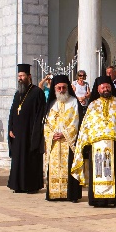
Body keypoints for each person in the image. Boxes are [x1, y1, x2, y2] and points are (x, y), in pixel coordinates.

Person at [71, 75, 116, 207]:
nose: (106, 89)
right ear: (98, 89)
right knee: (98, 171)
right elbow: (86, 126)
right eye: (103, 87)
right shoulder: (92, 105)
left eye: (108, 86)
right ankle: (98, 200)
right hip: (96, 146)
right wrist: (84, 143)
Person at [8, 64, 47, 193]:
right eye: (19, 76)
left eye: (22, 75)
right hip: (18, 134)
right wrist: (11, 128)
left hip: (31, 132)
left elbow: (40, 113)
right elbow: (13, 112)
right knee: (18, 159)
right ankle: (18, 185)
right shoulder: (17, 93)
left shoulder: (37, 92)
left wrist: (36, 132)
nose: (20, 78)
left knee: (31, 159)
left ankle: (31, 186)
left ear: (29, 77)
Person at [43, 74, 81, 202]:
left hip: (68, 142)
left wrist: (65, 133)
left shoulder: (74, 102)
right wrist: (51, 134)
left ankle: (70, 194)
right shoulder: (52, 104)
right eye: (58, 88)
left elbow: (76, 121)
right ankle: (54, 194)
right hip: (54, 142)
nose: (61, 90)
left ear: (68, 88)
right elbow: (46, 124)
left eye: (63, 88)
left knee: (69, 167)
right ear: (54, 89)